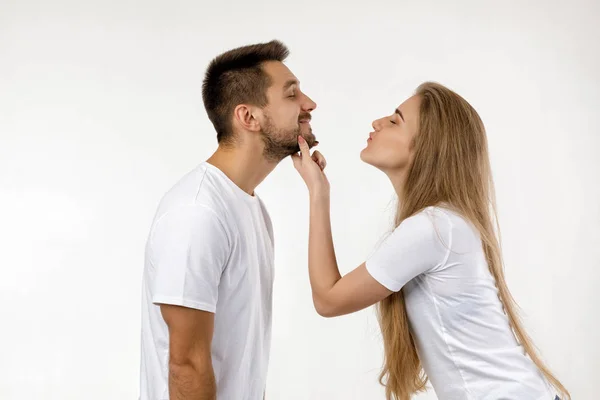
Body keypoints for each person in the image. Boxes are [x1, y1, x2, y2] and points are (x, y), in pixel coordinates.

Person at [292, 82, 569, 400]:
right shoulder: (444, 223)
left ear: (427, 148)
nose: (377, 122)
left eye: (395, 121)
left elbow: (328, 300)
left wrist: (318, 194)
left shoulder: (433, 228)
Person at [139, 40, 318, 400]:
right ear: (248, 117)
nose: (309, 104)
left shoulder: (251, 207)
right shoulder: (197, 212)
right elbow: (186, 363)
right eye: (292, 94)